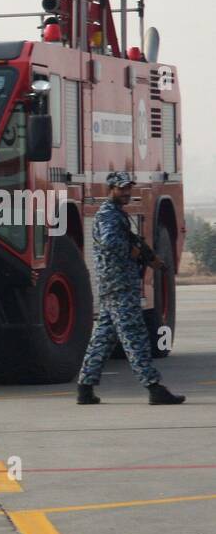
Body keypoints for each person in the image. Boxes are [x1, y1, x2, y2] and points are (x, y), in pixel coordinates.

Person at [76, 172, 184, 405]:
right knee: (135, 336)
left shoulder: (116, 214)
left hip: (115, 285)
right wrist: (135, 253)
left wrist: (148, 257)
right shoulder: (109, 216)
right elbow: (110, 243)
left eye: (128, 189)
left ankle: (85, 388)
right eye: (121, 188)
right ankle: (154, 388)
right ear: (111, 189)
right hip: (120, 286)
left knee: (103, 338)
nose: (126, 193)